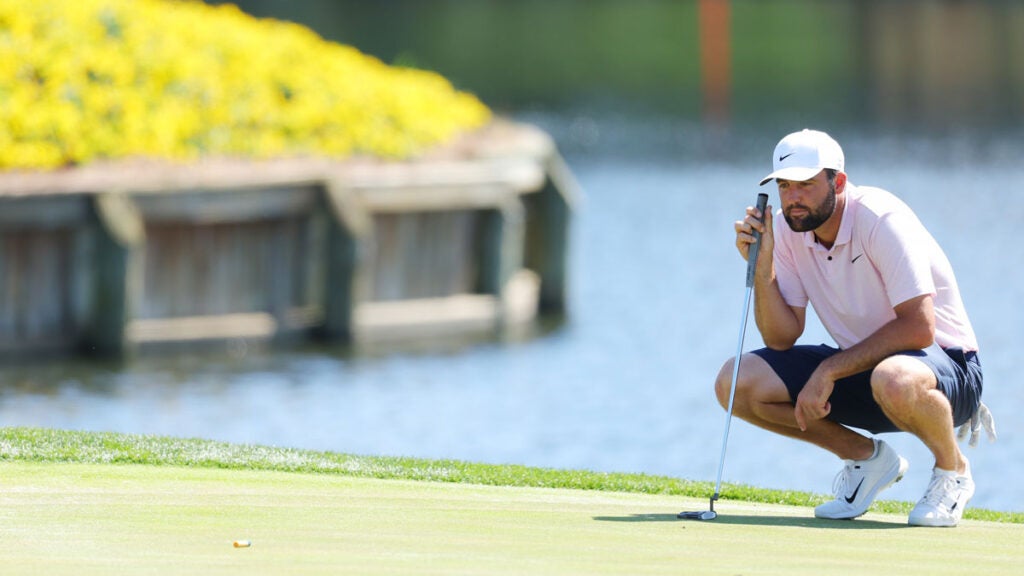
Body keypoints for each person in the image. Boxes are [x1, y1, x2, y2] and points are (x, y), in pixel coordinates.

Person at [726, 128, 993, 527]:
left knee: (895, 378)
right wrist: (765, 268)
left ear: (839, 182)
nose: (793, 197)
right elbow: (781, 337)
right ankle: (868, 461)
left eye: (806, 185)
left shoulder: (880, 218)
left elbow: (919, 328)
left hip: (947, 367)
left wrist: (828, 370)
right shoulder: (787, 228)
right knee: (736, 382)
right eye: (784, 185)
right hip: (871, 372)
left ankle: (953, 472)